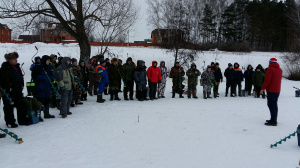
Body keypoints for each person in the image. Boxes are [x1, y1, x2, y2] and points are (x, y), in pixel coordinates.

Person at [0, 52, 30, 127]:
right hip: (8, 91)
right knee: (8, 107)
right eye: (14, 59)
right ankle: (10, 122)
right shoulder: (4, 68)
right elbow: (2, 80)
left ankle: (22, 120)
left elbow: (20, 76)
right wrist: (8, 88)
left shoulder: (17, 67)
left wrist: (21, 85)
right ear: (9, 60)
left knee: (21, 105)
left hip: (18, 90)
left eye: (16, 59)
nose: (16, 60)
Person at [31, 55, 55, 121]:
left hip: (47, 86)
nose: (49, 62)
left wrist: (51, 79)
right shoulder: (38, 67)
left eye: (49, 60)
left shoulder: (49, 67)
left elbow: (51, 75)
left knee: (47, 100)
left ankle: (46, 113)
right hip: (40, 87)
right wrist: (44, 77)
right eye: (47, 60)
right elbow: (34, 77)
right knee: (39, 101)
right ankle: (38, 115)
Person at [260, 58, 282, 126]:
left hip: (271, 90)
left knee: (271, 105)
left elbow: (267, 80)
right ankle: (274, 119)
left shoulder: (270, 69)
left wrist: (262, 88)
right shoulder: (280, 70)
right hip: (277, 90)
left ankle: (273, 121)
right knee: (274, 105)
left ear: (270, 62)